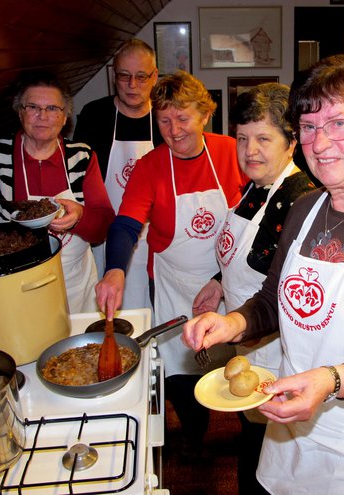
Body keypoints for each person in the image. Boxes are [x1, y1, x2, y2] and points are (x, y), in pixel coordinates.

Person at [181, 54, 344, 494]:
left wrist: (331, 379)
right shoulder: (306, 209)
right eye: (308, 127)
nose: (320, 143)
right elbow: (273, 300)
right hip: (291, 421)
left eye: (339, 124)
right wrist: (234, 323)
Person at [95, 70, 247, 461]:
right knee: (180, 371)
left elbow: (257, 209)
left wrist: (221, 277)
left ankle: (250, 437)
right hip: (174, 284)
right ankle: (195, 434)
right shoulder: (151, 166)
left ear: (204, 115)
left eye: (183, 117)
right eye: (164, 119)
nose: (174, 129)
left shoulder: (231, 151)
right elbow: (126, 223)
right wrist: (115, 268)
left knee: (242, 363)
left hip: (230, 277)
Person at [191, 82, 317, 494]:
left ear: (291, 142)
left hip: (278, 351)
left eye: (264, 138)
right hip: (246, 338)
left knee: (273, 456)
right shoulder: (256, 188)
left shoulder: (299, 200)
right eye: (243, 138)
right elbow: (246, 260)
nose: (250, 151)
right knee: (255, 438)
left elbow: (283, 292)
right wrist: (218, 282)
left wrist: (234, 321)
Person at [0, 71, 114, 314]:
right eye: (33, 106)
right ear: (20, 112)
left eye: (53, 108)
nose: (42, 116)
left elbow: (105, 225)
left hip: (73, 288)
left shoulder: (82, 157)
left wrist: (80, 217)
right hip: (11, 289)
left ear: (65, 117)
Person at [73, 39, 163, 310]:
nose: (132, 85)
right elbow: (77, 178)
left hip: (157, 237)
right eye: (124, 76)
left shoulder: (164, 118)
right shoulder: (94, 115)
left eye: (141, 76)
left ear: (155, 77)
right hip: (107, 236)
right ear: (114, 76)